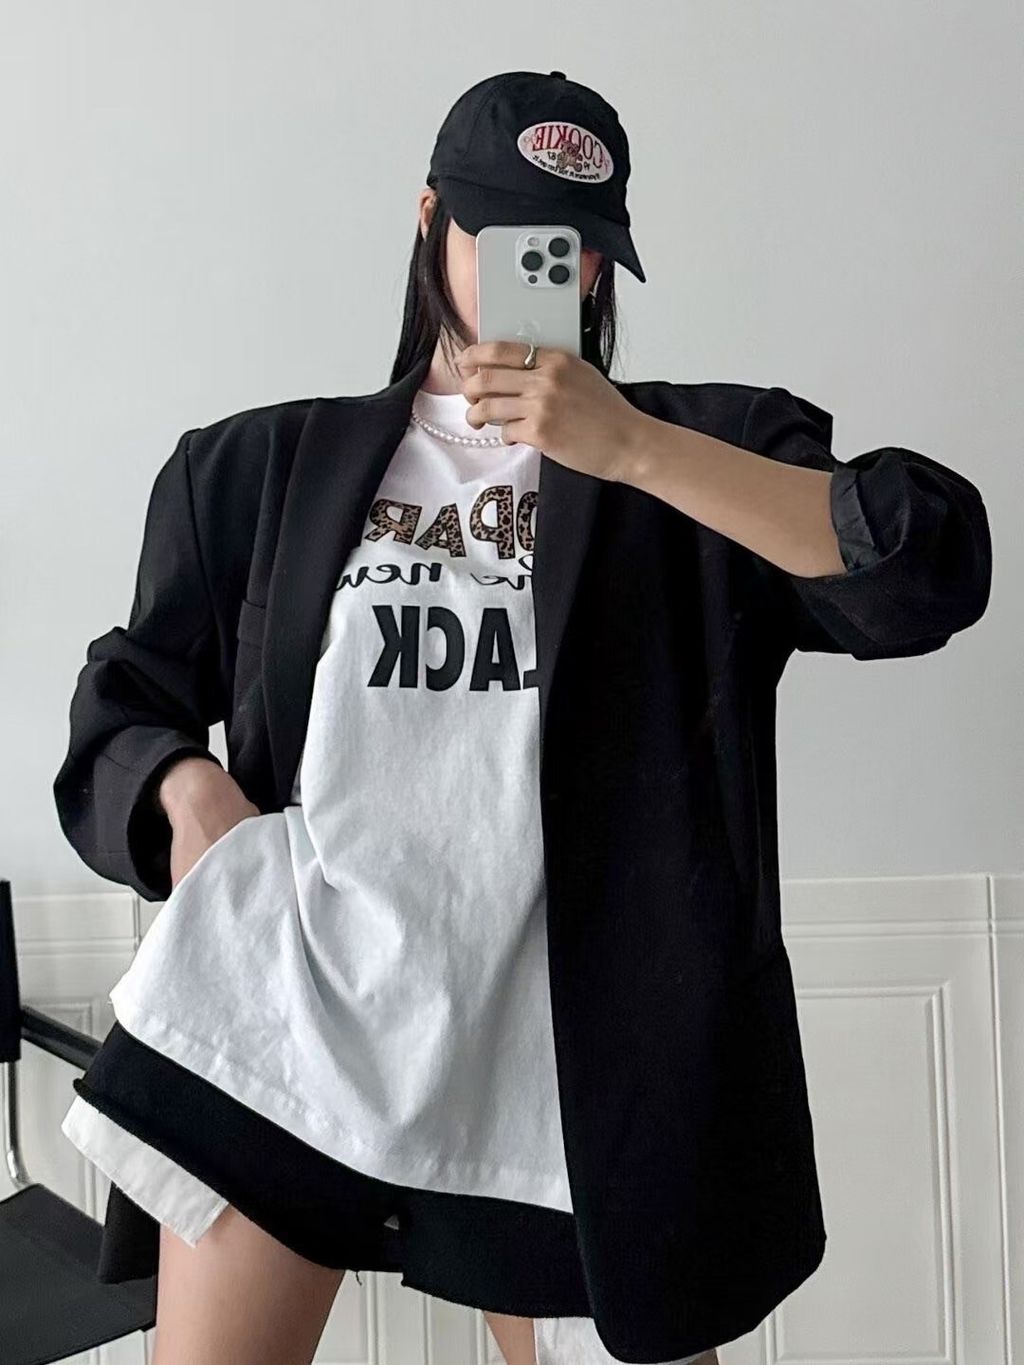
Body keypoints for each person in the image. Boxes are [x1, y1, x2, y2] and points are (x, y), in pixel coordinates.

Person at [52, 70, 991, 1365]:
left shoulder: (701, 460)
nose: (548, 273)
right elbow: (120, 705)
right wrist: (187, 797)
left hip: (572, 1070)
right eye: (504, 235)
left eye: (578, 248)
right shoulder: (259, 467)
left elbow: (928, 564)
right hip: (294, 1017)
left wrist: (633, 448)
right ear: (429, 218)